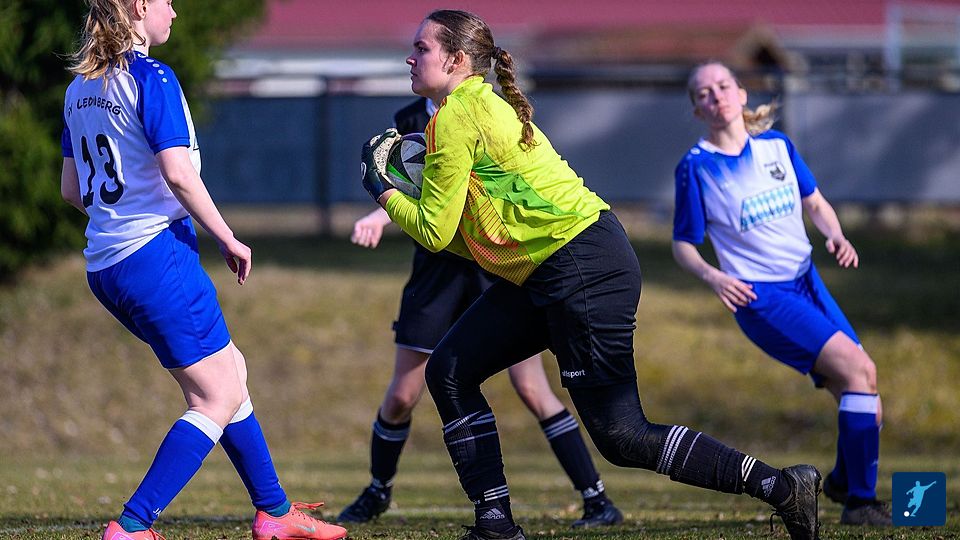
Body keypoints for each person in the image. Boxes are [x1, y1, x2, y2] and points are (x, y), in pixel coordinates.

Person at [359, 9, 822, 540]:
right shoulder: (474, 106)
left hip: (582, 266)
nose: (410, 58)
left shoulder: (456, 117)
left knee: (622, 435)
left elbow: (434, 232)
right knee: (449, 371)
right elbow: (470, 237)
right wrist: (413, 195)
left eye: (421, 48)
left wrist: (383, 189)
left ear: (457, 60)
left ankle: (782, 486)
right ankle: (495, 524)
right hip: (557, 267)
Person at [59, 2, 347, 539]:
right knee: (215, 396)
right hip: (155, 256)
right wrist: (227, 237)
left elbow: (72, 190)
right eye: (166, 0)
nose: (174, 11)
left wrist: (122, 218)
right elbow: (179, 174)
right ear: (139, 6)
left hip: (106, 265)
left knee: (231, 370)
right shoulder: (152, 77)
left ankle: (275, 512)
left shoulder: (79, 89)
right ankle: (133, 525)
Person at [343, 158, 622, 527]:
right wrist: (381, 215)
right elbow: (411, 183)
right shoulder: (413, 125)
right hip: (435, 273)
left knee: (532, 388)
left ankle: (596, 498)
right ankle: (378, 490)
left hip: (493, 264)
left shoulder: (478, 126)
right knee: (402, 397)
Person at [671, 61, 891, 527]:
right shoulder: (696, 167)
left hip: (807, 281)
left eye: (723, 86)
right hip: (762, 298)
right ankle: (860, 505)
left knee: (869, 403)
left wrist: (836, 235)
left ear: (741, 93)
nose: (716, 96)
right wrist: (714, 277)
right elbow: (683, 244)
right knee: (861, 372)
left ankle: (841, 482)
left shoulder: (778, 146)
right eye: (704, 92)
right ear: (696, 110)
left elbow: (815, 202)